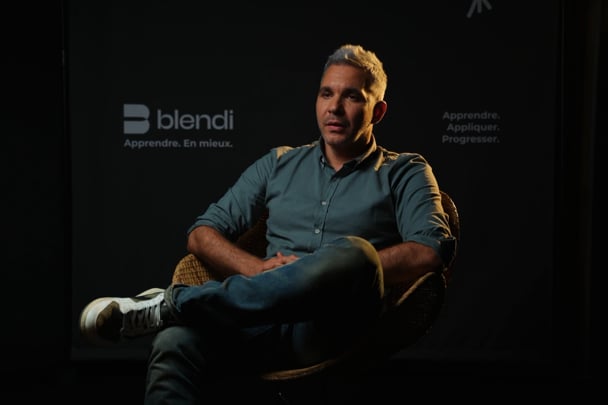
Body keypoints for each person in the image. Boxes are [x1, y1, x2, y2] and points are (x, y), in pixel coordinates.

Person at [79, 43, 456, 404]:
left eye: (352, 96)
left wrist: (327, 270)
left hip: (336, 327)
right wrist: (257, 270)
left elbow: (430, 249)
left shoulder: (405, 170)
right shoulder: (278, 163)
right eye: (326, 93)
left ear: (378, 111)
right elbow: (201, 234)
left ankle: (174, 303)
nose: (334, 107)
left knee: (356, 253)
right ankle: (173, 312)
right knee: (172, 342)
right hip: (258, 324)